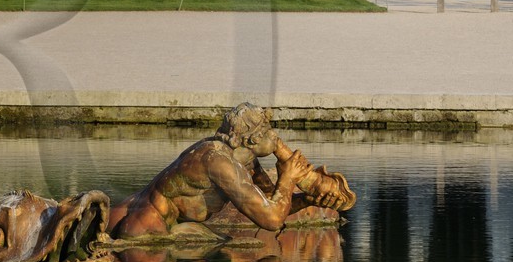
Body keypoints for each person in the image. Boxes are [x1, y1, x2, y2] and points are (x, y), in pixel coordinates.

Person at [108, 103, 351, 240]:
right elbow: (272, 221)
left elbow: (271, 202)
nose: (276, 139)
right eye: (269, 133)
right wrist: (287, 178)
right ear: (253, 140)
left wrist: (307, 199)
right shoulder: (218, 162)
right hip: (147, 225)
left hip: (166, 223)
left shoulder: (243, 159)